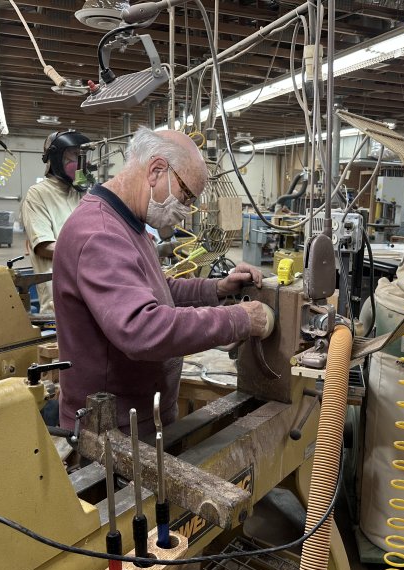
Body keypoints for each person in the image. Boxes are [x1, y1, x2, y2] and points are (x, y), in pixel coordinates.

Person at [53, 127, 270, 435]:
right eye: (186, 195)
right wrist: (238, 320)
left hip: (141, 416)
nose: (187, 209)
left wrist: (217, 289)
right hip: (113, 431)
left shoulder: (129, 222)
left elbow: (157, 290)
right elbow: (142, 329)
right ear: (156, 170)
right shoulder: (100, 233)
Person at [20, 130, 91, 313]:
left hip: (88, 288)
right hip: (58, 296)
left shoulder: (81, 193)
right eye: (74, 154)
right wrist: (91, 251)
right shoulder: (37, 194)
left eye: (83, 155)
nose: (82, 162)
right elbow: (44, 247)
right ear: (57, 158)